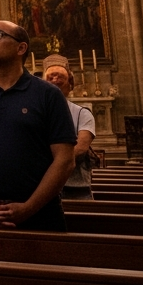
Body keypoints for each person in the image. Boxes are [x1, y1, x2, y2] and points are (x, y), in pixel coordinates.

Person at [0, 22, 75, 231]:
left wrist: (28, 208)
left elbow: (64, 160)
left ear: (21, 48)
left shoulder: (48, 95)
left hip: (40, 217)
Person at [43, 63, 96, 199]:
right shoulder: (34, 112)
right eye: (50, 78)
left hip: (74, 187)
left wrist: (43, 164)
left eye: (60, 79)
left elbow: (80, 148)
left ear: (70, 85)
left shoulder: (82, 114)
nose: (55, 80)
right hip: (39, 187)